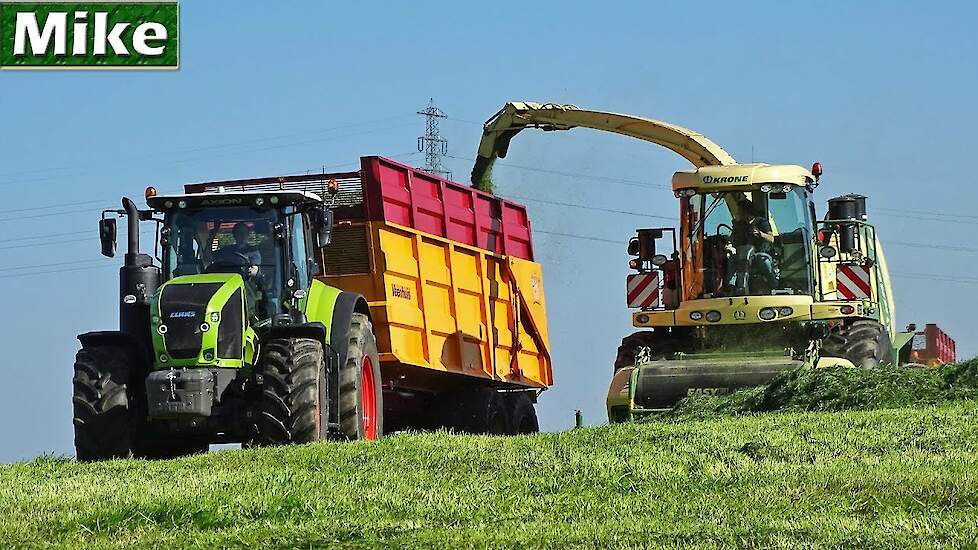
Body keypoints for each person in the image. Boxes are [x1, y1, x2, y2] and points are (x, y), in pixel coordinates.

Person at [727, 199, 778, 292]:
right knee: (730, 259)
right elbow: (732, 239)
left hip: (759, 253)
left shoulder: (761, 222)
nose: (738, 213)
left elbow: (771, 238)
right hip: (741, 254)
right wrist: (730, 241)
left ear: (747, 211)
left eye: (740, 211)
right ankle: (730, 286)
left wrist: (761, 234)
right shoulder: (739, 225)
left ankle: (774, 284)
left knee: (764, 261)